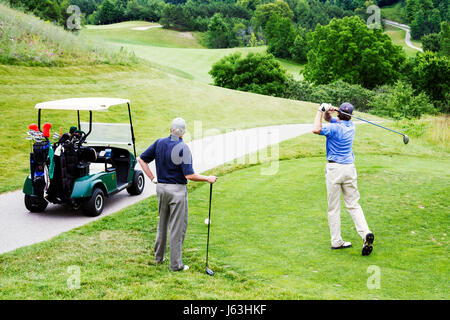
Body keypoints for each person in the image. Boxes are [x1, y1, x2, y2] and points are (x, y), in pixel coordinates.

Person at [138, 118, 218, 271]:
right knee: (177, 227)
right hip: (177, 191)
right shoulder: (183, 148)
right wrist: (207, 178)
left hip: (161, 188)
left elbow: (142, 159)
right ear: (184, 133)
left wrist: (152, 178)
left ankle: (158, 258)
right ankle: (176, 265)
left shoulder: (159, 142)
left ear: (170, 130)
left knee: (162, 223)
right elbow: (189, 176)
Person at [312, 102, 375, 256]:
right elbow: (330, 120)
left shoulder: (334, 129)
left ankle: (336, 241)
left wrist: (320, 111)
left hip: (334, 170)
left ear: (340, 114)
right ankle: (365, 233)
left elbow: (316, 129)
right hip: (349, 169)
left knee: (333, 208)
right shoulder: (351, 126)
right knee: (353, 205)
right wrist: (329, 112)